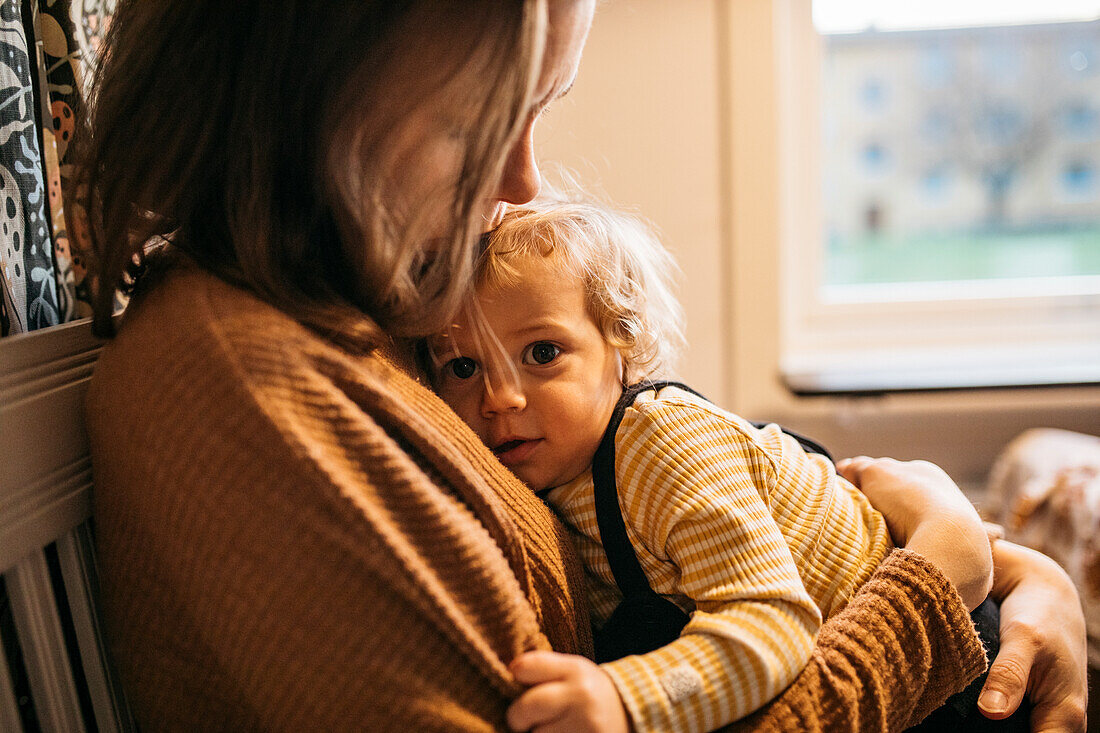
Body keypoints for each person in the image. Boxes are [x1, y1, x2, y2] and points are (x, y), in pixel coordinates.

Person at [73, 1, 1087, 731]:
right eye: (476, 122)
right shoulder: (258, 392)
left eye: (539, 112)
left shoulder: (383, 325)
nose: (520, 186)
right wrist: (932, 585)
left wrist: (1012, 566)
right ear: (300, 83)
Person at [424, 195, 1022, 732]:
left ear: (622, 345)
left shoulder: (659, 442)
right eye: (463, 367)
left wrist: (626, 699)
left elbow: (773, 620)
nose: (500, 397)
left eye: (542, 353)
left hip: (954, 670)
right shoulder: (545, 478)